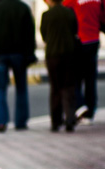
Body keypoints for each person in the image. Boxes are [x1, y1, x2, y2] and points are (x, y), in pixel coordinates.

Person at [0, 0, 37, 133]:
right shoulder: (23, 8)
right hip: (19, 54)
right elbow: (30, 33)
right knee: (21, 88)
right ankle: (21, 122)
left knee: (0, 89)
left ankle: (1, 122)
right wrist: (30, 54)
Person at [65, 0, 105, 124]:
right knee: (90, 78)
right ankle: (89, 113)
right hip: (94, 39)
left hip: (79, 40)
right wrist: (97, 20)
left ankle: (80, 106)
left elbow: (62, 7)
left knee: (76, 77)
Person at [41, 0, 79, 132]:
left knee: (55, 88)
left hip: (52, 55)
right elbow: (75, 30)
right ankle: (70, 118)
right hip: (69, 53)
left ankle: (55, 121)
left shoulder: (46, 15)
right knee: (68, 87)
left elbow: (44, 35)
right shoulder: (69, 13)